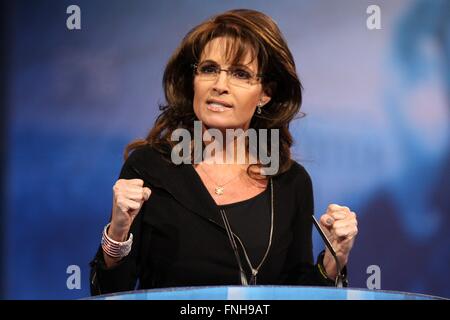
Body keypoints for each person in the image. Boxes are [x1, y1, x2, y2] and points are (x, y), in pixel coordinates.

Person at [89, 8, 358, 295]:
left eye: (240, 74)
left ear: (265, 93)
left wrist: (333, 259)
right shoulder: (149, 168)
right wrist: (117, 233)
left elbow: (297, 291)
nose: (219, 85)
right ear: (194, 80)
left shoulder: (290, 182)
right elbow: (109, 292)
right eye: (209, 69)